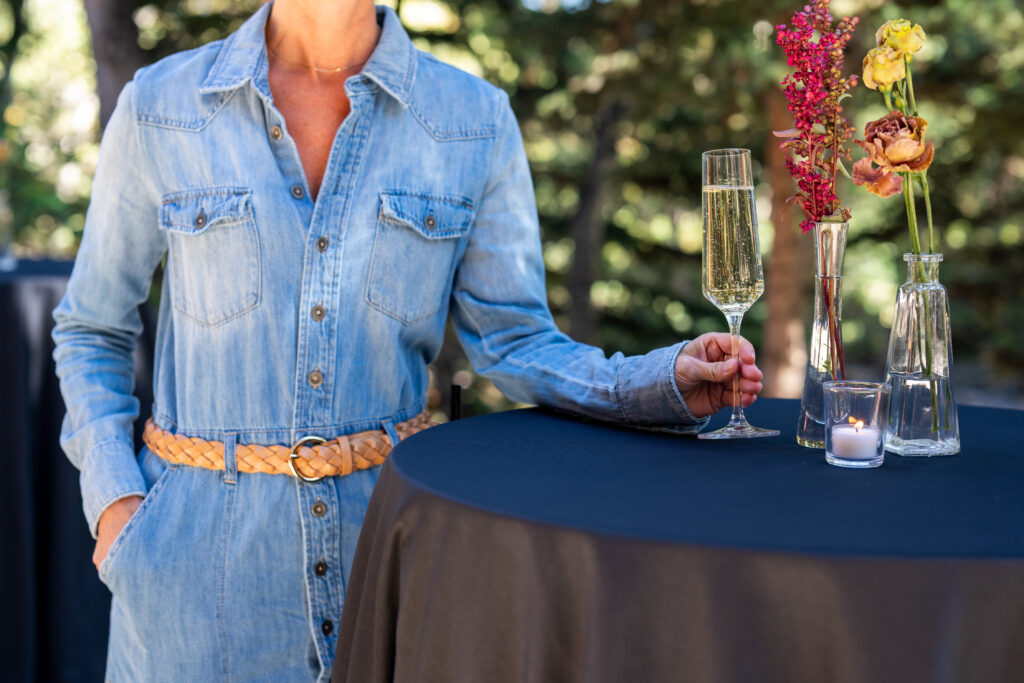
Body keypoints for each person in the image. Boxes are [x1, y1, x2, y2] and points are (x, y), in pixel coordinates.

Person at [52, 0, 766, 680]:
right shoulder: (162, 105)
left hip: (391, 561)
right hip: (192, 587)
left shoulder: (471, 121)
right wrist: (115, 504)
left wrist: (658, 380)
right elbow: (92, 328)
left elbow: (515, 342)